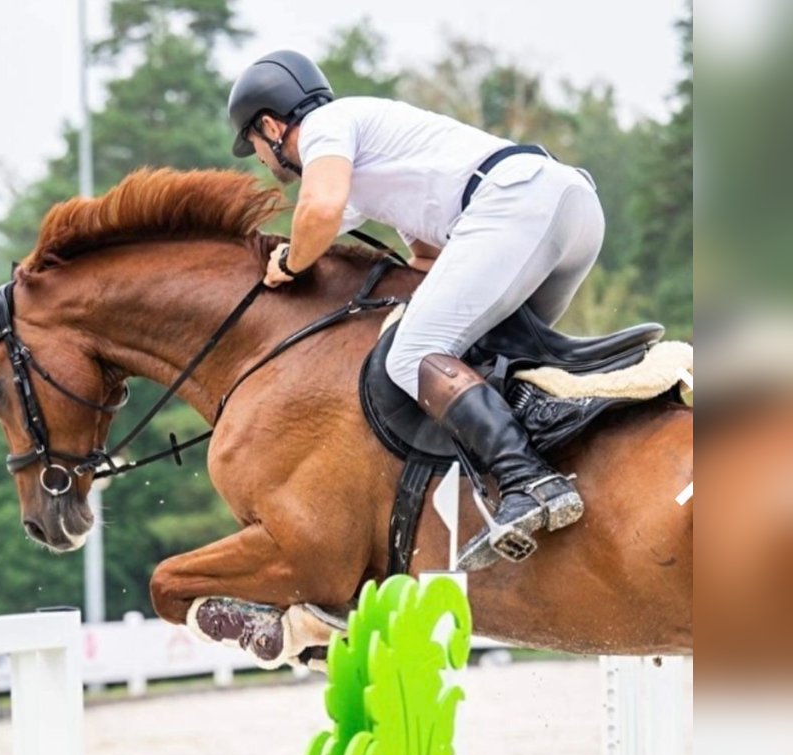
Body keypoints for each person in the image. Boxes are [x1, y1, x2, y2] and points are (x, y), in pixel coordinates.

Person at [227, 50, 604, 570]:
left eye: (254, 147)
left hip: (518, 204)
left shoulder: (324, 126)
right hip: (569, 207)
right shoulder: (372, 162)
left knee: (412, 358)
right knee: (493, 356)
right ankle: (566, 458)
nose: (264, 163)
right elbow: (428, 258)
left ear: (270, 126)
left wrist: (289, 262)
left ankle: (529, 482)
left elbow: (318, 212)